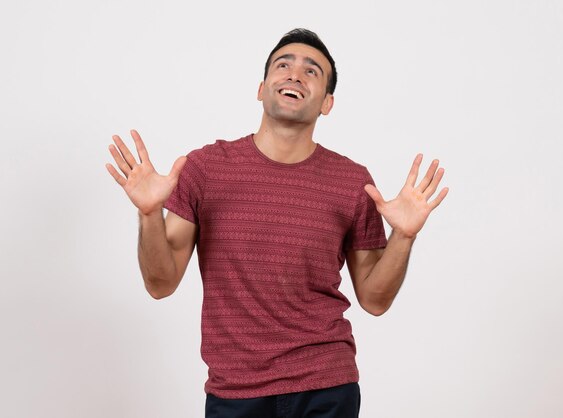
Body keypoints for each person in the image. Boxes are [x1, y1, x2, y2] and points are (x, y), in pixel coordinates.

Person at [106, 28, 448, 418]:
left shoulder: (352, 182)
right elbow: (160, 283)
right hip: (235, 391)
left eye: (311, 71)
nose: (294, 75)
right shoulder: (205, 169)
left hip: (326, 385)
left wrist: (403, 236)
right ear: (261, 87)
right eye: (282, 66)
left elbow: (375, 299)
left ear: (327, 103)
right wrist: (149, 214)